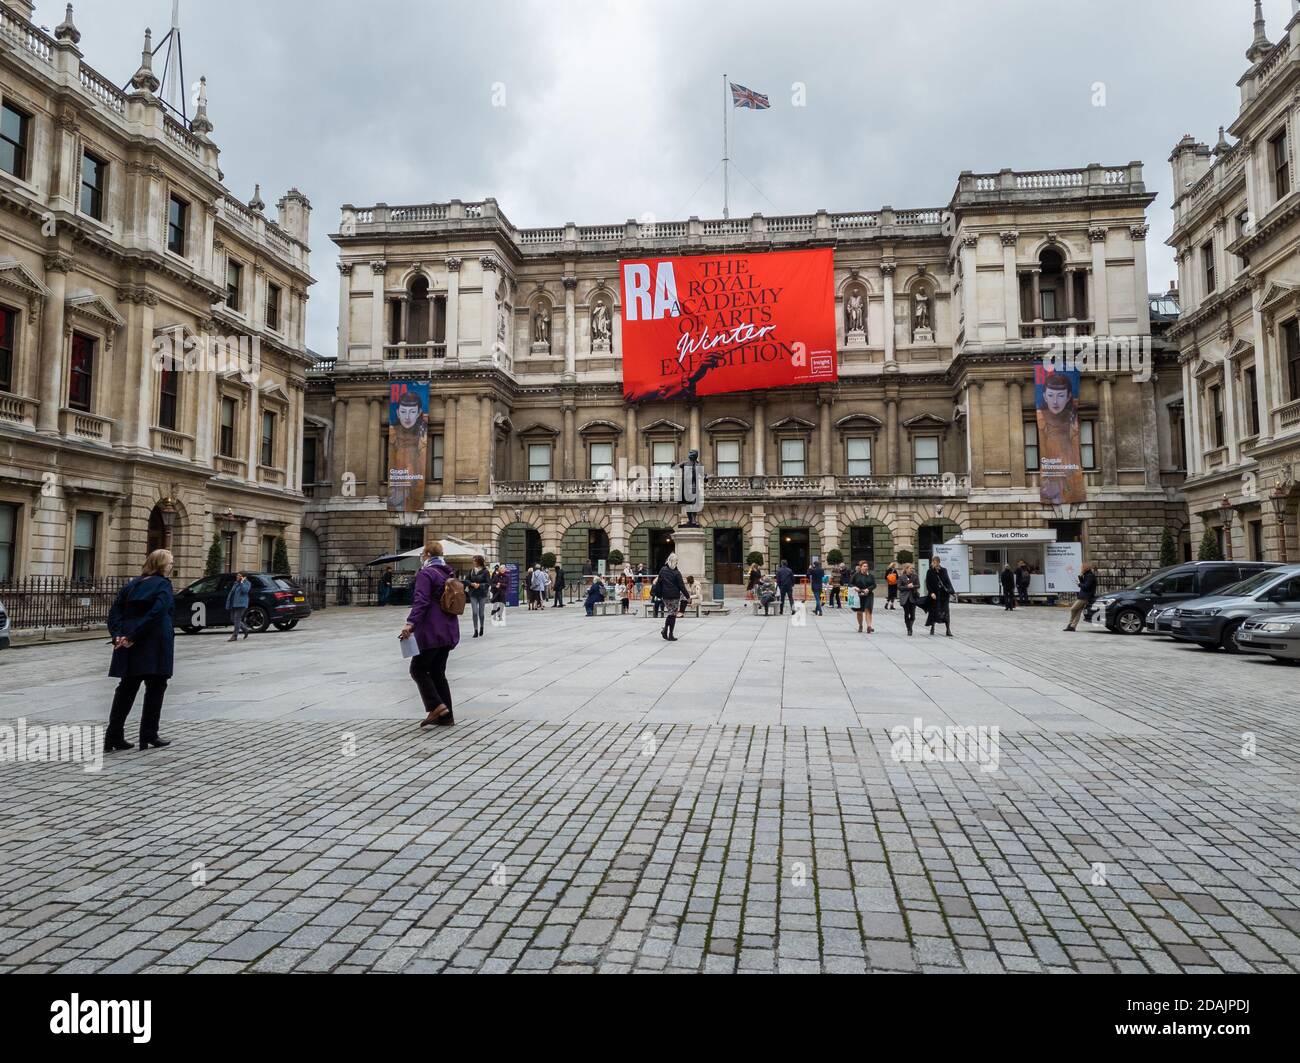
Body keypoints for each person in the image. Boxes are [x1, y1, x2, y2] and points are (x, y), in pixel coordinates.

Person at [105, 549, 176, 752]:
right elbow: (157, 612)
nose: (172, 566)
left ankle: (113, 736)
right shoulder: (163, 585)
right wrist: (132, 636)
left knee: (126, 689)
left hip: (129, 642)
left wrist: (118, 635)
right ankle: (149, 734)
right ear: (161, 565)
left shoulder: (132, 584)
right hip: (154, 642)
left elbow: (115, 612)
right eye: (170, 562)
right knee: (155, 688)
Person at [400, 540, 460, 727]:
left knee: (417, 669)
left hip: (432, 630)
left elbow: (421, 601)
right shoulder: (448, 572)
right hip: (449, 630)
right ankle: (446, 716)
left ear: (426, 555)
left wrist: (410, 623)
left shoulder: (426, 574)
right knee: (437, 671)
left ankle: (436, 706)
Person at [657, 553, 689, 641]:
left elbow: (659, 582)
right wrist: (688, 597)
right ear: (675, 562)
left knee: (671, 613)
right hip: (674, 596)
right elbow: (682, 586)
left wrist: (659, 594)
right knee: (672, 615)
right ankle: (670, 634)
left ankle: (665, 631)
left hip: (665, 596)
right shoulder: (676, 573)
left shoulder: (662, 570)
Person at [925, 554, 956, 637]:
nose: (933, 564)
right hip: (935, 596)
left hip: (944, 595)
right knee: (935, 611)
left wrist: (952, 592)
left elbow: (947, 581)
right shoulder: (930, 571)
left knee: (946, 612)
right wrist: (931, 593)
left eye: (935, 562)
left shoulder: (944, 570)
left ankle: (948, 629)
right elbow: (928, 584)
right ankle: (933, 627)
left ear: (938, 562)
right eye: (933, 562)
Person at [1065, 562, 1098, 631]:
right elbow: (1084, 583)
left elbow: (1086, 586)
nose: (1081, 568)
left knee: (1073, 609)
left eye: (1082, 567)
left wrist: (1079, 584)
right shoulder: (1087, 575)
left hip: (1085, 597)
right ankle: (1072, 626)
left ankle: (1071, 624)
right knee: (1078, 612)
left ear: (1085, 568)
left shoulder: (1090, 576)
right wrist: (1080, 577)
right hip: (1084, 596)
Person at [848, 561, 876, 634]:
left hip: (868, 595)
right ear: (860, 567)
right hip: (859, 595)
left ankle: (869, 627)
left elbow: (874, 585)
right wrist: (855, 587)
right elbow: (850, 584)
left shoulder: (870, 576)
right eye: (864, 566)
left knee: (868, 609)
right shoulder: (856, 575)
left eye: (866, 566)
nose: (866, 568)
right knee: (859, 611)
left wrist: (868, 589)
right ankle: (860, 625)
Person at [465, 555, 490, 637]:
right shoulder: (471, 570)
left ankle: (482, 627)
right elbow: (466, 580)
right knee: (475, 612)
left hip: (482, 594)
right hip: (473, 594)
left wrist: (479, 585)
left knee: (481, 613)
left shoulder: (485, 571)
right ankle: (475, 630)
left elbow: (488, 583)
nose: (473, 562)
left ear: (479, 562)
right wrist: (471, 583)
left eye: (474, 561)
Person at [225, 571, 250, 642]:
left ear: (243, 577)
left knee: (237, 619)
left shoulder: (247, 583)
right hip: (234, 604)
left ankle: (234, 636)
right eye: (237, 575)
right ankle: (245, 629)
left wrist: (242, 582)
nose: (237, 577)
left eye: (239, 576)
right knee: (233, 619)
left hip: (241, 604)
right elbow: (232, 593)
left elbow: (245, 591)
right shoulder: (236, 583)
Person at [898, 562, 922, 636]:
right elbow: (899, 587)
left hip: (913, 597)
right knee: (906, 613)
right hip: (905, 598)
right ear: (906, 569)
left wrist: (913, 586)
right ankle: (909, 629)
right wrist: (907, 586)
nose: (911, 569)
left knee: (913, 615)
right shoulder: (902, 577)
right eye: (910, 568)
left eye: (912, 568)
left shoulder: (915, 576)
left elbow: (918, 585)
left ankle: (910, 626)